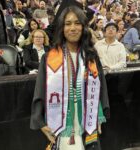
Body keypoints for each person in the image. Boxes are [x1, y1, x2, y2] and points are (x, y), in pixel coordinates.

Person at [30, 6, 109, 150]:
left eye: (77, 23)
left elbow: (100, 89)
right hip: (61, 123)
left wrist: (99, 115)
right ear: (62, 28)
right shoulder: (49, 59)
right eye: (68, 23)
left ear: (84, 27)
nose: (73, 28)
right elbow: (40, 90)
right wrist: (40, 123)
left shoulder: (91, 56)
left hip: (87, 123)